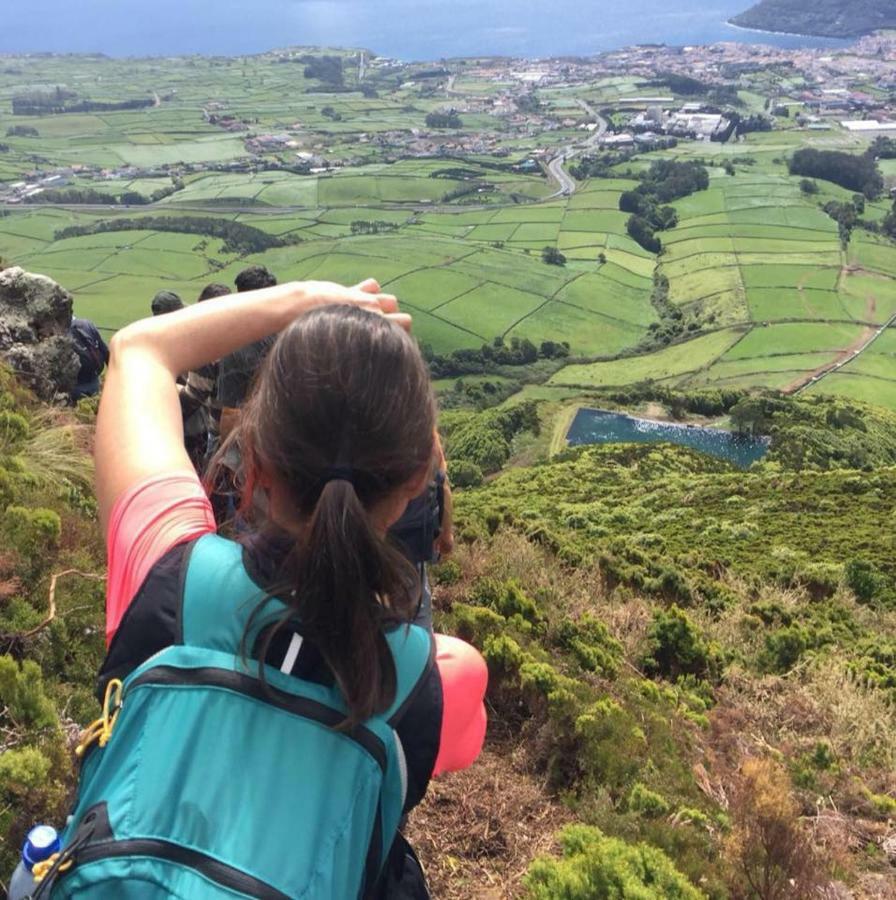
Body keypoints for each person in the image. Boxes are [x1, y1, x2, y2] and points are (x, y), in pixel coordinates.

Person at [39, 279, 486, 899]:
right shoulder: (424, 680)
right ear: (418, 482)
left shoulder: (168, 575)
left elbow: (141, 350)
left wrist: (305, 299)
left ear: (253, 459)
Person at [178, 283, 231, 472]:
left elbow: (195, 396)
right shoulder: (248, 333)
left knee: (216, 477)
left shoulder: (207, 345)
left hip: (221, 428)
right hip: (252, 426)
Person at [69, 316, 109, 401]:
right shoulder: (87, 324)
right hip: (94, 381)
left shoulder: (59, 333)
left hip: (74, 387)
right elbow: (105, 351)